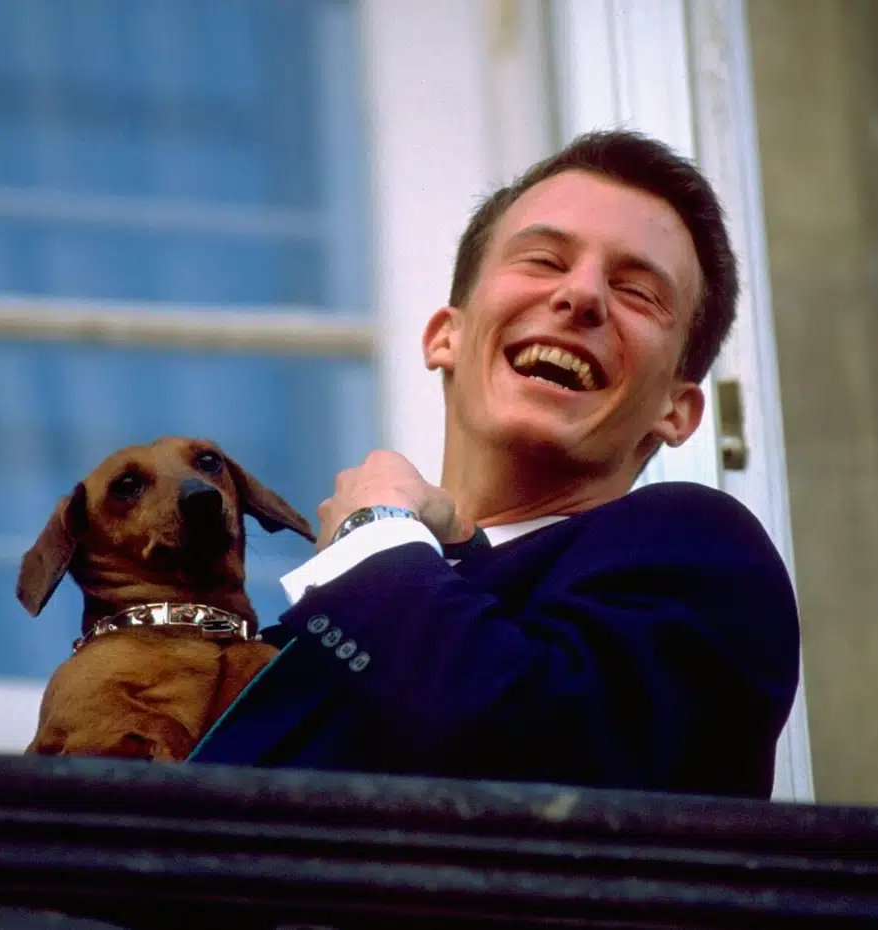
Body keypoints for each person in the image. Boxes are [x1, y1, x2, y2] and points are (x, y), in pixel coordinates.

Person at [191, 129, 800, 798]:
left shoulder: (704, 555)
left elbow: (537, 761)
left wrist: (373, 539)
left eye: (637, 292)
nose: (582, 296)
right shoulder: (311, 634)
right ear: (444, 337)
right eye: (542, 260)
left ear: (676, 411)